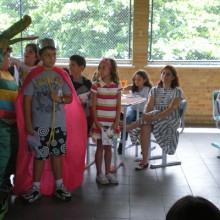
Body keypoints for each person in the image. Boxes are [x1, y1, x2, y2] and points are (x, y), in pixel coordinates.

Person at [14, 38, 87, 203]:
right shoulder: (33, 75)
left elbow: (70, 98)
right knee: (40, 156)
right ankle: (36, 187)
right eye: (48, 55)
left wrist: (60, 100)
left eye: (54, 55)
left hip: (58, 125)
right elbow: (26, 100)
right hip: (40, 125)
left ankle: (59, 186)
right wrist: (28, 123)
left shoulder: (61, 74)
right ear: (40, 56)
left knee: (57, 154)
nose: (51, 58)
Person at [127, 65, 185, 170]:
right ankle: (145, 161)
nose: (165, 75)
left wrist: (155, 118)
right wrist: (145, 113)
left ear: (173, 77)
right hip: (155, 117)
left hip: (171, 119)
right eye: (163, 73)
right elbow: (149, 105)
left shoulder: (177, 91)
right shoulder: (154, 90)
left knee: (150, 120)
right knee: (145, 127)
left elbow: (171, 109)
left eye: (168, 74)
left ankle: (127, 128)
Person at [90, 58, 122, 184]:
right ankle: (99, 174)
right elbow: (93, 105)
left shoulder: (117, 85)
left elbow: (118, 105)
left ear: (111, 69)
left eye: (104, 67)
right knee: (99, 147)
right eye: (100, 67)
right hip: (100, 123)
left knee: (108, 147)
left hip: (111, 123)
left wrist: (116, 121)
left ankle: (108, 172)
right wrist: (96, 122)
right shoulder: (96, 85)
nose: (101, 70)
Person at [0, 46, 19, 215]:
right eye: (7, 56)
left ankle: (6, 182)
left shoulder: (8, 73)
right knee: (3, 154)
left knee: (13, 153)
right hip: (1, 123)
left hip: (12, 123)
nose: (10, 59)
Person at [117, 70, 152, 154]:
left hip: (143, 111)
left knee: (141, 123)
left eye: (139, 79)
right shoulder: (133, 88)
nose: (137, 81)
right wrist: (125, 89)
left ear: (145, 80)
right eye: (135, 79)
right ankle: (122, 142)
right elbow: (127, 95)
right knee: (127, 118)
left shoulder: (148, 89)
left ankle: (144, 145)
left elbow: (146, 101)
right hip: (133, 109)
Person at [69, 55, 92, 133]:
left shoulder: (88, 83)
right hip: (69, 115)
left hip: (83, 115)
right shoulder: (66, 81)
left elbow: (92, 100)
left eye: (73, 65)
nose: (70, 67)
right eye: (69, 65)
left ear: (81, 68)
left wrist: (86, 103)